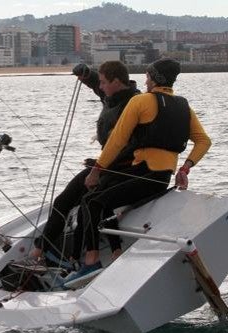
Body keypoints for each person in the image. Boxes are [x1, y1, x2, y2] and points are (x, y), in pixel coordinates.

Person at [68, 58, 212, 282]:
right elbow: (203, 141)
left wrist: (96, 169)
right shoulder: (184, 106)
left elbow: (116, 141)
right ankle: (116, 254)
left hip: (144, 174)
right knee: (102, 197)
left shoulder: (141, 101)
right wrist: (186, 167)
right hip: (162, 178)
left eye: (147, 76)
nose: (145, 81)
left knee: (91, 202)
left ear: (154, 78)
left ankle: (91, 261)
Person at [26, 61, 140, 267]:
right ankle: (38, 252)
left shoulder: (136, 103)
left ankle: (95, 256)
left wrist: (100, 165)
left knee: (89, 203)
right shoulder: (111, 96)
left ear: (116, 82)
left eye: (105, 82)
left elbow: (134, 143)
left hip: (124, 169)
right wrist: (87, 75)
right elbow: (98, 84)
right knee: (62, 202)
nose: (102, 86)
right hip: (103, 165)